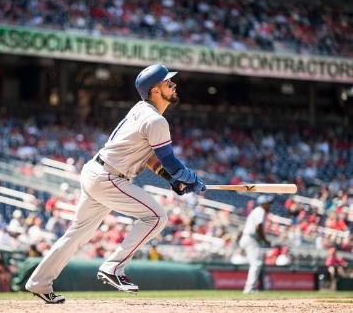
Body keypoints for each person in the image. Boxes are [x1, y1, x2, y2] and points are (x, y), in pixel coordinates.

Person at [25, 63, 205, 303]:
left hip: (96, 172)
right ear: (155, 90)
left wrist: (171, 179)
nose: (174, 85)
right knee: (157, 217)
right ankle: (114, 267)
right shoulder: (155, 120)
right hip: (108, 177)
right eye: (168, 82)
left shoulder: (143, 110)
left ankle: (39, 282)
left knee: (76, 234)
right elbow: (170, 161)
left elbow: (153, 159)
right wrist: (190, 179)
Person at [239, 195, 272, 294]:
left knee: (254, 263)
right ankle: (249, 288)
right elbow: (259, 227)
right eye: (268, 203)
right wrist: (265, 240)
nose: (270, 205)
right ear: (263, 203)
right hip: (251, 239)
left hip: (247, 238)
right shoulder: (260, 210)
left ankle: (250, 288)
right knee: (256, 263)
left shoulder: (258, 211)